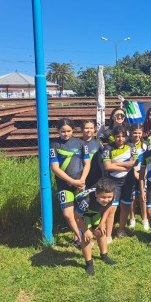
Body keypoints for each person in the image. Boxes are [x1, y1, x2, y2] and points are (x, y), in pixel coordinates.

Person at [50, 118, 91, 247]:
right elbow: (55, 168)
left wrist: (82, 180)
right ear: (58, 131)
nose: (66, 134)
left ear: (73, 130)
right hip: (64, 184)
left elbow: (87, 163)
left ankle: (84, 234)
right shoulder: (54, 145)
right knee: (68, 214)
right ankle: (80, 238)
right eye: (63, 131)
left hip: (80, 183)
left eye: (68, 131)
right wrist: (72, 181)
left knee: (83, 212)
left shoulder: (81, 143)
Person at [74, 177, 116, 275]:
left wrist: (102, 223)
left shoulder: (111, 195)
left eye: (109, 197)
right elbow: (76, 217)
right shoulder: (86, 201)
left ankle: (104, 255)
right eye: (103, 197)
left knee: (101, 232)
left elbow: (108, 208)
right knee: (86, 238)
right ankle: (89, 263)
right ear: (96, 194)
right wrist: (85, 230)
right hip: (82, 214)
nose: (106, 200)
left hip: (95, 212)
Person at [102, 125, 138, 241]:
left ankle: (121, 230)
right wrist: (125, 166)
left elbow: (134, 163)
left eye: (123, 136)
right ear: (113, 137)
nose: (120, 139)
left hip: (128, 180)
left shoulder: (131, 146)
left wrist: (115, 165)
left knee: (125, 206)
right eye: (118, 136)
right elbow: (107, 166)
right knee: (111, 208)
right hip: (114, 182)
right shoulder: (108, 148)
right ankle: (108, 235)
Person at [129, 123, 150, 231]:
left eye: (139, 133)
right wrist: (134, 173)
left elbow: (148, 160)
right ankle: (132, 218)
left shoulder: (146, 145)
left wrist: (144, 172)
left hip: (143, 173)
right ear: (130, 133)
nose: (137, 135)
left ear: (142, 133)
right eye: (134, 133)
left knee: (143, 197)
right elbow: (127, 161)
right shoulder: (127, 144)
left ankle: (145, 219)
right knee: (132, 198)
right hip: (130, 173)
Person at [81, 119, 104, 189]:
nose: (89, 130)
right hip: (81, 175)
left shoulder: (98, 143)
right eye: (86, 128)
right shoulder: (77, 143)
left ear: (94, 129)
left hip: (95, 176)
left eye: (91, 128)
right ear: (81, 129)